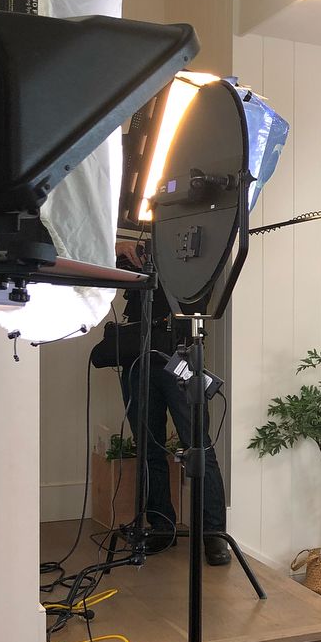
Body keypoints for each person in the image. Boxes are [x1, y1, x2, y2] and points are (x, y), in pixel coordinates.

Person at [115, 240, 231, 566]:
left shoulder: (197, 244)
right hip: (138, 353)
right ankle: (161, 526)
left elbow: (200, 291)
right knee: (147, 447)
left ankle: (213, 534)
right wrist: (119, 250)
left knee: (199, 447)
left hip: (181, 353)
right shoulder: (142, 247)